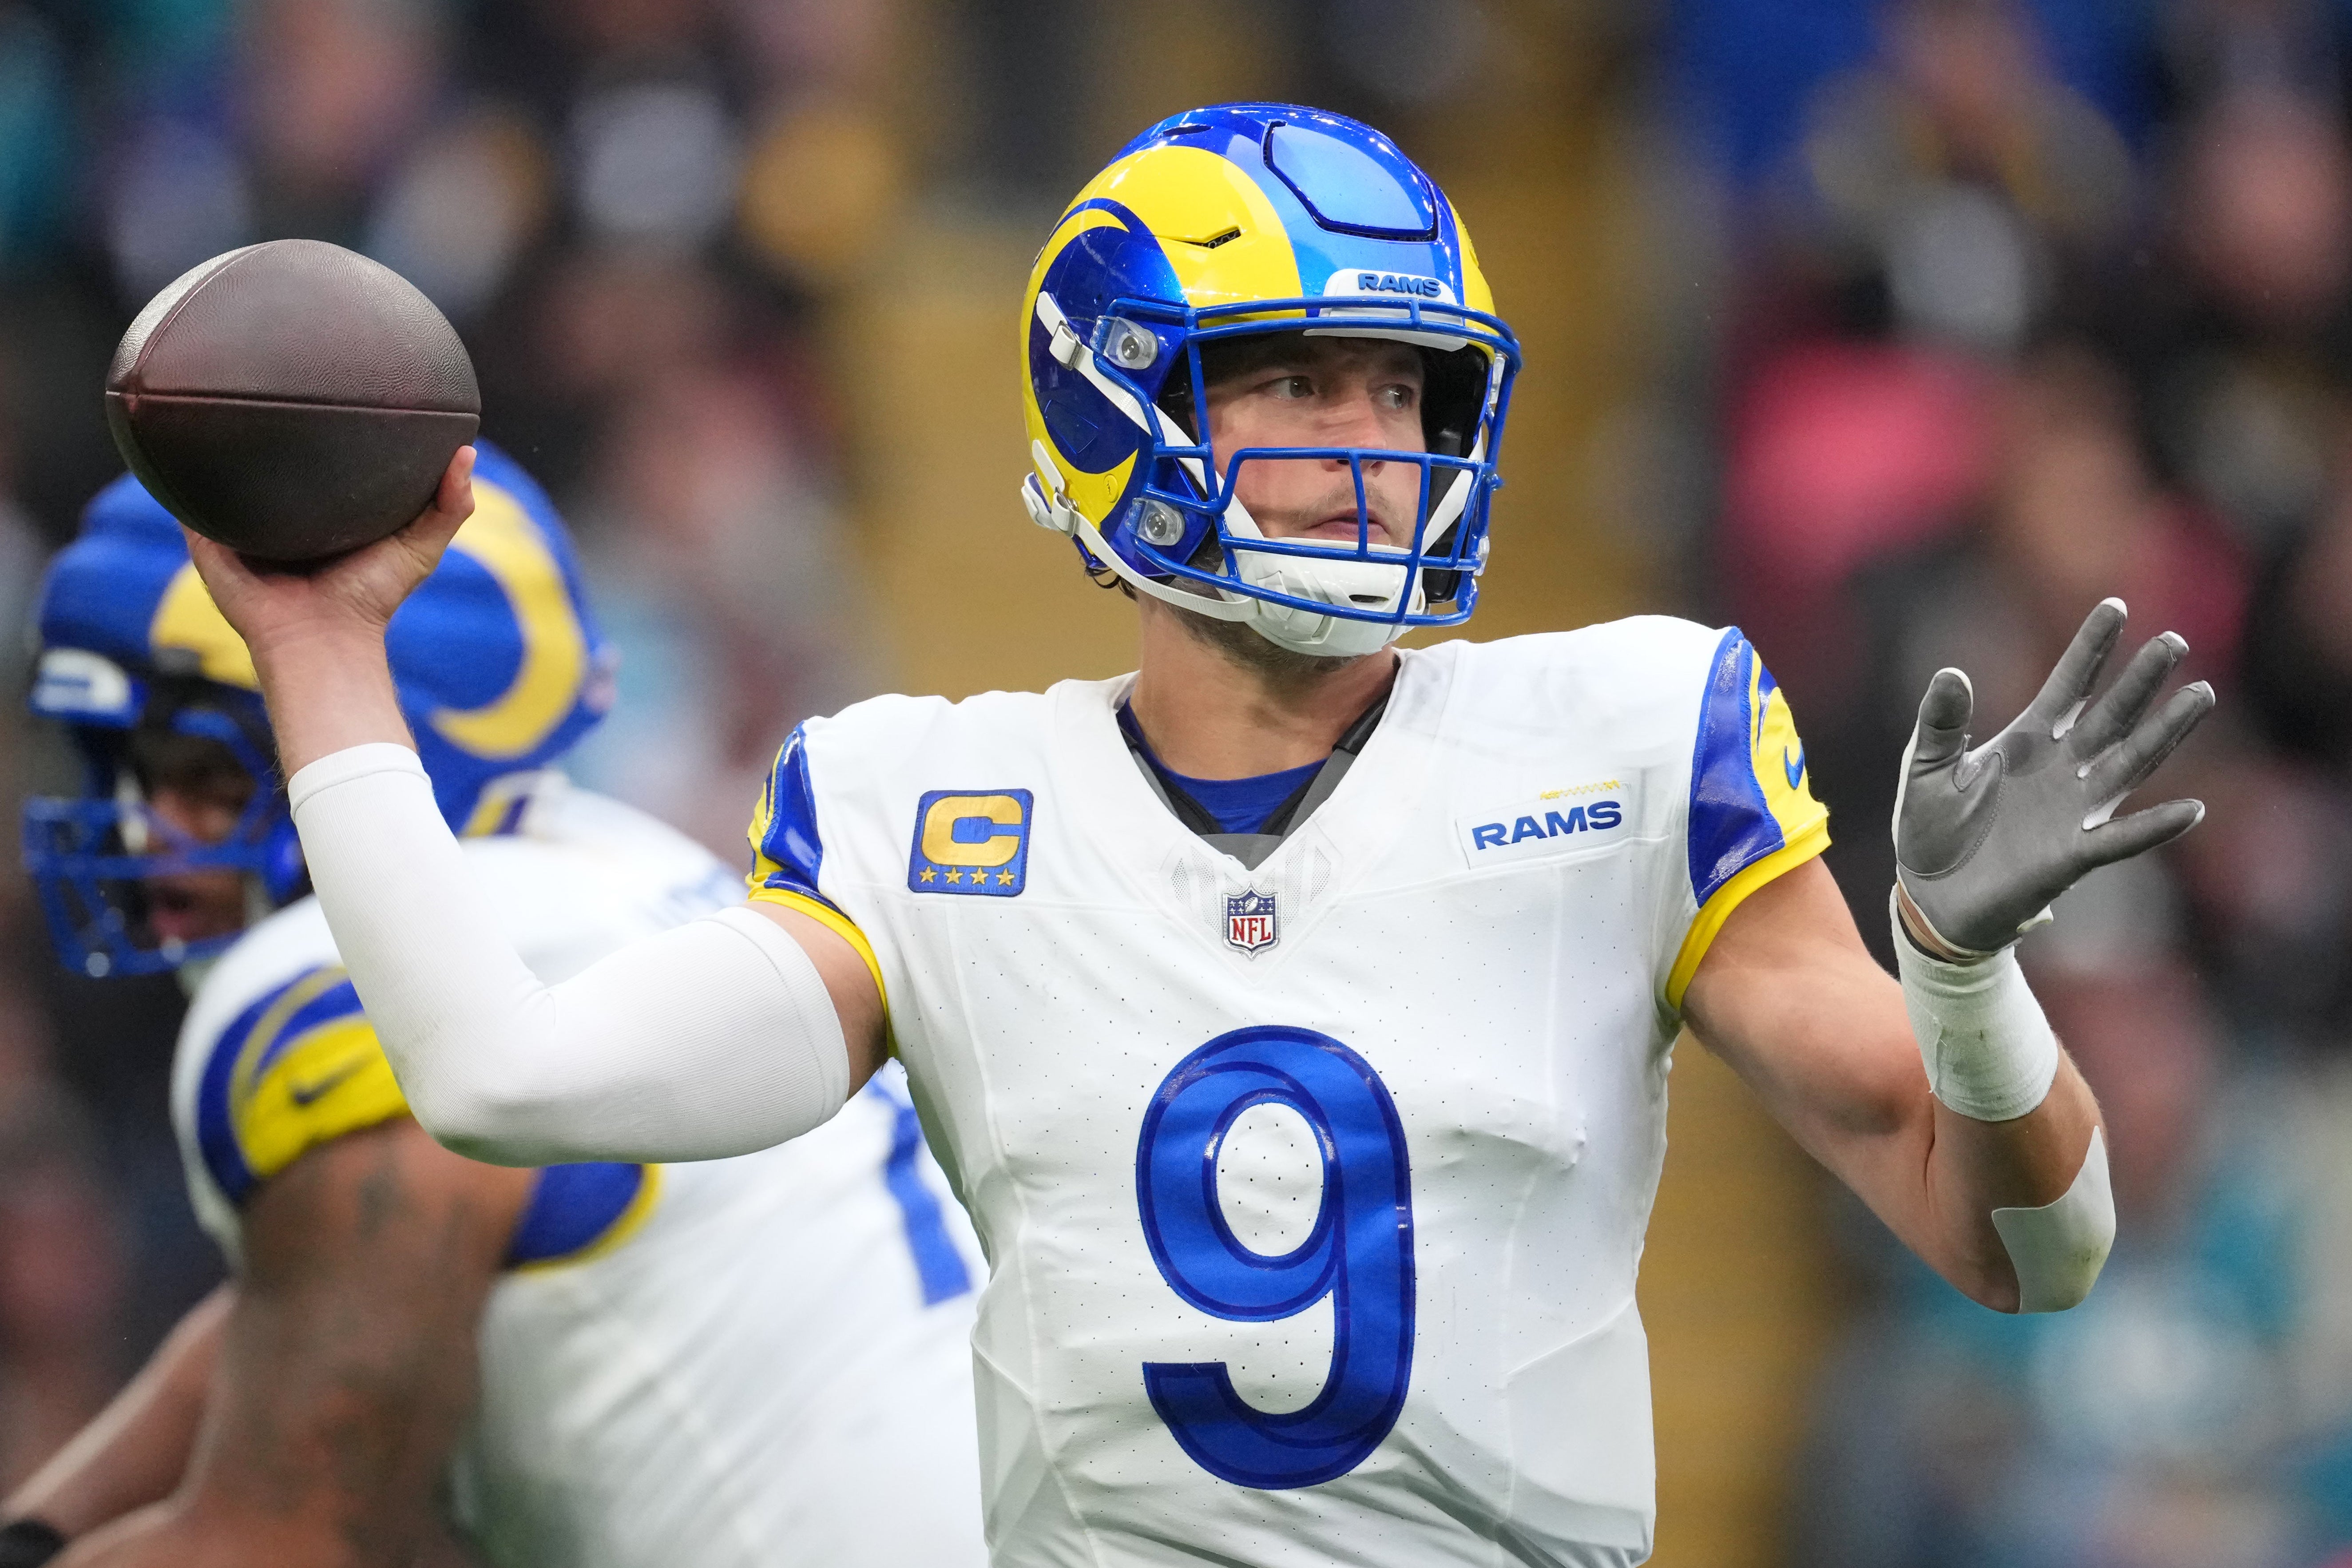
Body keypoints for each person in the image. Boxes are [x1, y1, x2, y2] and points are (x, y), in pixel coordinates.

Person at [168, 105, 2213, 1565]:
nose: (1366, 451)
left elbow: (2028, 1248)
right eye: (1293, 387)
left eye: (1402, 395)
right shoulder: (931, 810)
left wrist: (1959, 974)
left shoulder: (1618, 733)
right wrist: (319, 647)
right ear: (1114, 404)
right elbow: (498, 1075)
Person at [0, 449, 989, 1568]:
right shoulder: (609, 867)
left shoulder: (329, 989)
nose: (148, 833)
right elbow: (303, 1317)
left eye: (203, 774)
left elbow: (291, 1537)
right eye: (122, 773)